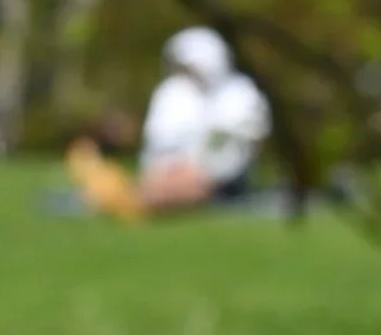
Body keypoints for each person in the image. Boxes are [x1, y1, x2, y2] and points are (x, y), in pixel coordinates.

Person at [65, 26, 271, 218]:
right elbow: (159, 142)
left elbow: (237, 149)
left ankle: (121, 200)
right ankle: (117, 195)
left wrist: (199, 168)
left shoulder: (241, 94)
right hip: (167, 172)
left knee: (165, 191)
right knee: (153, 185)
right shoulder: (173, 92)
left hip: (217, 179)